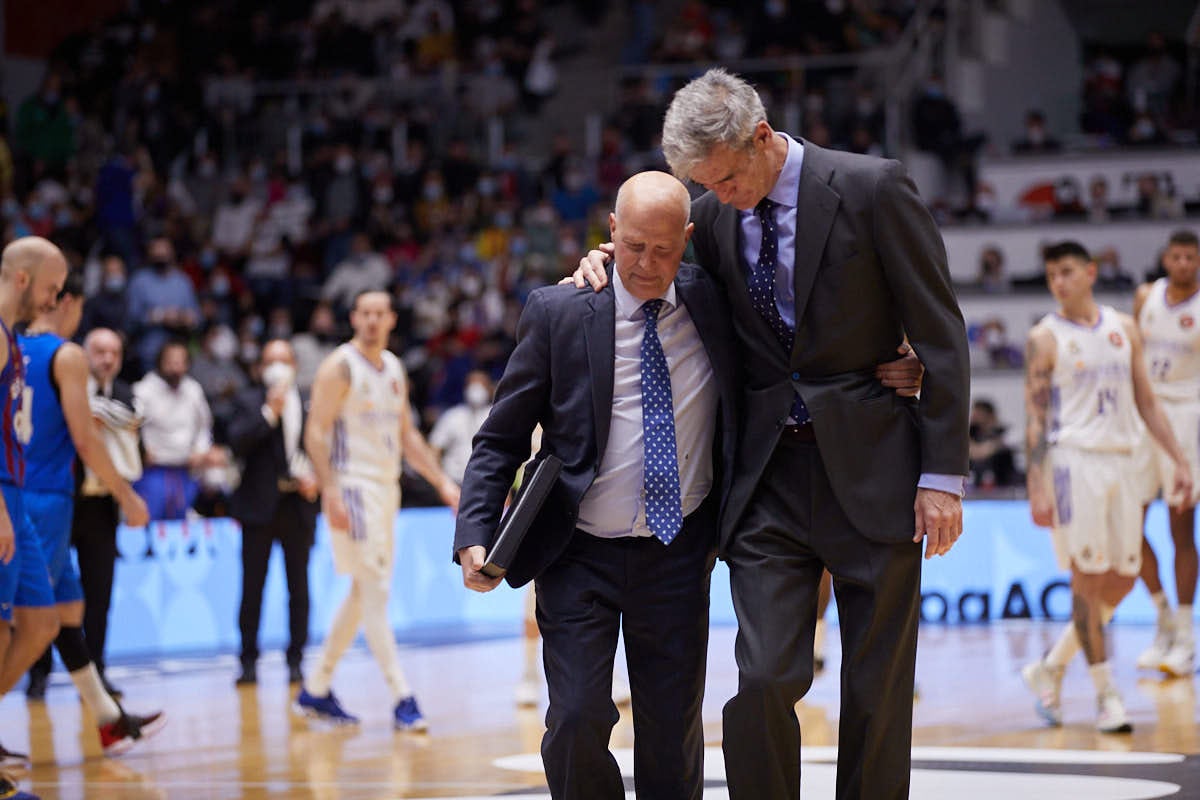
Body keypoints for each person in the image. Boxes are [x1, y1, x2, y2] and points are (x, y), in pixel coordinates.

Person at [574, 68, 967, 800]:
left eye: (723, 179)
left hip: (876, 465)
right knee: (762, 677)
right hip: (767, 480)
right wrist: (606, 262)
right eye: (702, 185)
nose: (715, 197)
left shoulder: (875, 188)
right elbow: (661, 280)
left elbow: (942, 335)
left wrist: (942, 477)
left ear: (761, 138)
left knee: (878, 686)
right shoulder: (713, 219)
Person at [456, 171, 741, 800]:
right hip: (576, 549)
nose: (645, 264)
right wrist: (476, 531)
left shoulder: (715, 302)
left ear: (687, 238)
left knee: (672, 732)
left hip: (678, 551)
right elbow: (501, 436)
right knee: (579, 716)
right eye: (633, 245)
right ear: (610, 231)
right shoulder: (558, 311)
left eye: (664, 249)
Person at [1021, 241, 1192, 734]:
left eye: (1068, 271)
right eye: (1052, 273)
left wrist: (1178, 459)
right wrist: (1038, 484)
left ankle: (1050, 666)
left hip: (1125, 461)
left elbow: (1147, 401)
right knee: (1087, 580)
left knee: (1122, 577)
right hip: (1074, 465)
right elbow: (1034, 418)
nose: (1059, 281)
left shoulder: (1125, 328)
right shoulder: (1044, 336)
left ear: (1091, 272)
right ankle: (1105, 694)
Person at [7, 266, 163, 756]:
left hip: (27, 491)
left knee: (68, 608)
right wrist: (128, 494)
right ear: (62, 302)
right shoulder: (64, 354)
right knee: (30, 623)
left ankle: (106, 717)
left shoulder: (15, 346)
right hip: (44, 496)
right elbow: (85, 438)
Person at [295, 290, 459, 731]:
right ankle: (402, 696)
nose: (370, 320)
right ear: (354, 318)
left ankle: (317, 686)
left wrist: (443, 482)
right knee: (376, 591)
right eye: (363, 313)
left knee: (363, 591)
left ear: (390, 319)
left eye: (378, 314)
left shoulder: (395, 368)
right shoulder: (339, 366)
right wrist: (329, 489)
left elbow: (408, 436)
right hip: (352, 487)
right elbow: (315, 431)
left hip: (386, 489)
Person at [0, 237, 68, 798]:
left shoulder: (17, 340)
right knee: (0, 628)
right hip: (1, 495)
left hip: (16, 491)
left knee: (41, 623)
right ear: (23, 280)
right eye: (50, 288)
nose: (54, 300)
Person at [230, 340, 319, 686]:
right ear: (260, 368)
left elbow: (324, 447)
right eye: (270, 361)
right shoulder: (248, 401)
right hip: (258, 508)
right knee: (253, 588)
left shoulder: (312, 402)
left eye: (283, 360)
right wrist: (269, 412)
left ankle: (296, 659)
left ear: (294, 365)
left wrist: (318, 480)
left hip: (298, 507)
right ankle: (248, 660)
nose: (277, 367)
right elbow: (237, 441)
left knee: (299, 588)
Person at [1131, 229, 1200, 677]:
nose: (1184, 264)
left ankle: (1185, 633)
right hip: (1142, 415)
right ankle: (1161, 617)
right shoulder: (1145, 296)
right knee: (1127, 527)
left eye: (1191, 258)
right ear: (1165, 259)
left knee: (1180, 528)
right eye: (1177, 256)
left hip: (1186, 415)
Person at [132, 341, 223, 521]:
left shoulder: (193, 389)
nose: (175, 367)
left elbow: (204, 426)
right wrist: (140, 450)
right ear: (160, 362)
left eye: (180, 362)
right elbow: (132, 428)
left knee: (181, 526)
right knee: (148, 522)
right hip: (153, 470)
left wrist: (201, 450)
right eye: (170, 362)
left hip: (185, 470)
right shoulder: (143, 390)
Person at [428, 370, 494, 485]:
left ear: (489, 388)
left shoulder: (495, 415)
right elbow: (434, 449)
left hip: (487, 482)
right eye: (472, 383)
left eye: (481, 384)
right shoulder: (452, 416)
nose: (476, 388)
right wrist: (440, 482)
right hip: (454, 482)